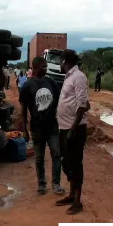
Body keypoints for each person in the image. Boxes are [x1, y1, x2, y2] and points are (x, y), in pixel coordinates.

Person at [20, 57, 64, 196]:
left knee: (56, 154)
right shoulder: (27, 86)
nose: (45, 69)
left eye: (45, 67)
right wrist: (24, 129)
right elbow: (23, 109)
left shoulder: (51, 82)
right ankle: (41, 184)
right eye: (43, 67)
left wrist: (54, 113)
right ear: (35, 68)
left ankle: (56, 184)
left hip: (52, 127)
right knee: (39, 157)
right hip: (36, 128)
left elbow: (58, 100)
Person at [55, 49, 90, 215]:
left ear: (64, 61)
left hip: (73, 129)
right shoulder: (69, 76)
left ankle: (77, 201)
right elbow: (80, 101)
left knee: (75, 164)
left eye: (60, 60)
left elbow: (82, 105)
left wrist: (73, 129)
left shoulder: (79, 77)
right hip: (64, 127)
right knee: (66, 162)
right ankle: (70, 195)